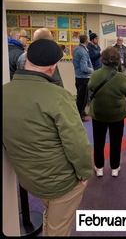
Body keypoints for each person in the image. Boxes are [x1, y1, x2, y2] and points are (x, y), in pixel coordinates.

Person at [2, 39, 93, 237]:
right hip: (61, 182)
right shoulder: (58, 96)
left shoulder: (4, 92)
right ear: (53, 67)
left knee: (51, 216)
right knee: (58, 230)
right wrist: (85, 174)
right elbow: (77, 144)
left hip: (29, 178)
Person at [88, 46, 126, 177]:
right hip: (117, 114)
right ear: (118, 60)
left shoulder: (95, 74)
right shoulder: (122, 78)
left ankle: (99, 167)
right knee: (116, 141)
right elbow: (125, 92)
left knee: (98, 140)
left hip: (98, 113)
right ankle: (114, 168)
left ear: (103, 59)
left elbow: (90, 88)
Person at [70, 34, 94, 121]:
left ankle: (82, 111)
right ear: (86, 41)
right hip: (84, 78)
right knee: (83, 98)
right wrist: (93, 70)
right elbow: (84, 67)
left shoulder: (76, 49)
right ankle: (80, 115)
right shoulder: (84, 52)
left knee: (80, 96)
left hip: (78, 76)